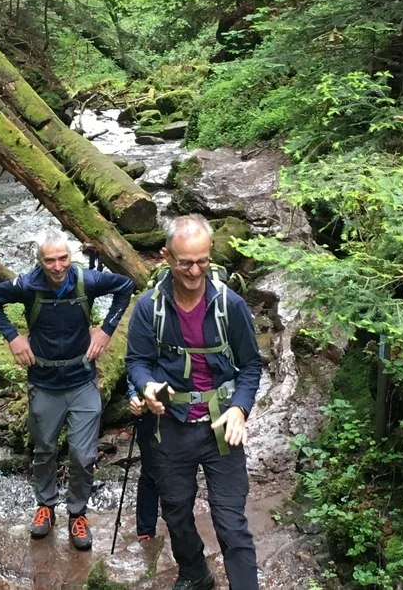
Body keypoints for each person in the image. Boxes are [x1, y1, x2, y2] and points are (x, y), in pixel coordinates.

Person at [124, 215, 263, 590]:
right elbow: (136, 361)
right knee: (176, 513)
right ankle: (195, 573)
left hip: (221, 426)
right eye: (186, 262)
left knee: (231, 522)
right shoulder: (148, 308)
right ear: (166, 256)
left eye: (202, 260)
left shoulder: (229, 306)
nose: (195, 270)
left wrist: (239, 407)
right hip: (170, 424)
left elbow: (251, 366)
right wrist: (146, 387)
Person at [0, 229, 135, 551]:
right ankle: (46, 506)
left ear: (71, 256)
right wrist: (12, 336)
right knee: (45, 450)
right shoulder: (27, 285)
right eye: (49, 260)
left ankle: (78, 513)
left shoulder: (86, 281)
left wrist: (106, 331)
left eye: (63, 258)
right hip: (44, 383)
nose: (57, 266)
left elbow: (125, 286)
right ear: (39, 261)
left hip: (82, 381)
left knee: (83, 454)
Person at [128, 386, 160, 542]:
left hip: (181, 412)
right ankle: (145, 531)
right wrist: (134, 395)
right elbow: (136, 363)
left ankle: (181, 527)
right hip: (147, 411)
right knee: (149, 470)